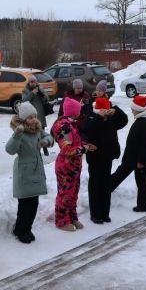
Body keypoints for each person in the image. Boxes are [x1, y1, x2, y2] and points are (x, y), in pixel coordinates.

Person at [5, 102, 54, 243]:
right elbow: (10, 150)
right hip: (24, 171)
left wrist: (45, 141)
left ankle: (28, 228)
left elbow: (50, 137)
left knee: (34, 204)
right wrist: (17, 135)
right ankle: (20, 230)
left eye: (34, 116)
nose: (33, 120)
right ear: (23, 119)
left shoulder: (37, 129)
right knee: (25, 205)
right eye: (30, 117)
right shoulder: (20, 133)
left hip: (36, 170)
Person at [81, 96, 128, 224]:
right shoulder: (91, 117)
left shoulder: (112, 118)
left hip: (108, 156)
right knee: (95, 185)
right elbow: (86, 130)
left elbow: (124, 121)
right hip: (95, 157)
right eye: (104, 110)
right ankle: (95, 214)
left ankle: (105, 213)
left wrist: (116, 110)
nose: (106, 113)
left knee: (105, 185)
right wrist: (99, 117)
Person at [51, 97, 95, 231]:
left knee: (73, 192)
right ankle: (61, 220)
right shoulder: (64, 127)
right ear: (73, 112)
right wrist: (84, 149)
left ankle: (72, 217)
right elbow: (66, 149)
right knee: (65, 193)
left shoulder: (72, 124)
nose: (80, 113)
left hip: (74, 166)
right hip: (66, 166)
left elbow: (74, 144)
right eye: (78, 110)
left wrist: (84, 145)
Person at [109, 95, 146, 212]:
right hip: (132, 157)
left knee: (142, 182)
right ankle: (107, 188)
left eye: (133, 109)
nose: (132, 111)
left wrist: (142, 161)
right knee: (121, 173)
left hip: (138, 159)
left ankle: (144, 205)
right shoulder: (142, 120)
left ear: (140, 109)